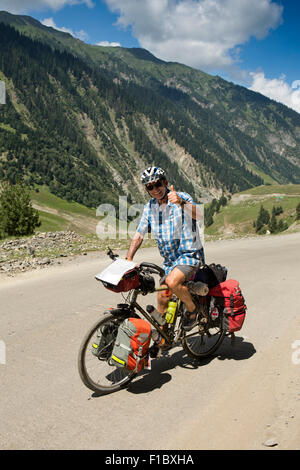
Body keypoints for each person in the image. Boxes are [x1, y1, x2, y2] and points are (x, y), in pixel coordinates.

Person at [126, 166, 205, 331]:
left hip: (189, 255)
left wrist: (181, 203)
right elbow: (139, 234)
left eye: (158, 184)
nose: (155, 189)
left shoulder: (180, 197)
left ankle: (193, 310)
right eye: (150, 187)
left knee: (171, 282)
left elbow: (199, 215)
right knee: (162, 297)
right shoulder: (149, 208)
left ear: (165, 182)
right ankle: (163, 338)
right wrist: (129, 258)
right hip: (170, 261)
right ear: (147, 189)